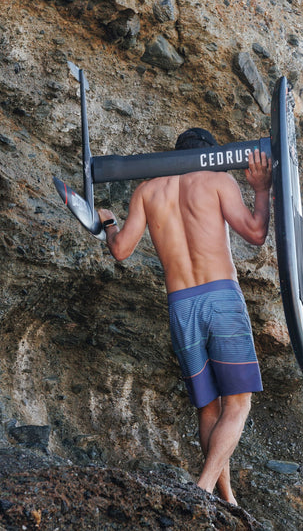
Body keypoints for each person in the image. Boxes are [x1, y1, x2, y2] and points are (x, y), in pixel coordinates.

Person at [98, 128, 272, 505]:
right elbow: (256, 233)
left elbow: (121, 250)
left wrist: (109, 223)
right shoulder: (218, 180)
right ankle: (203, 489)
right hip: (221, 297)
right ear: (212, 156)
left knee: (209, 405)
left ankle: (226, 499)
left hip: (180, 304)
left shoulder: (147, 190)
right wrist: (262, 188)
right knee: (238, 403)